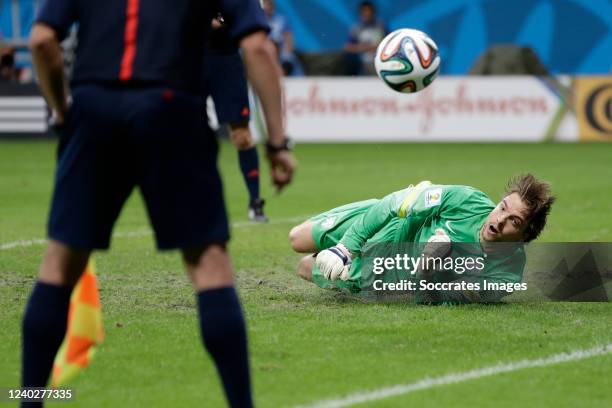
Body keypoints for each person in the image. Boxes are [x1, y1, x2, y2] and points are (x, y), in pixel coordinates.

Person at [24, 1, 295, 408]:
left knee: (61, 261)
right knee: (208, 263)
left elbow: (43, 40)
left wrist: (64, 111)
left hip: (94, 110)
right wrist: (277, 143)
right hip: (173, 110)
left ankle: (29, 401)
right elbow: (258, 48)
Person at [289, 174, 555, 303]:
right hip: (387, 224)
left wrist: (427, 269)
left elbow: (437, 299)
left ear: (524, 236)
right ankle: (341, 247)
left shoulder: (504, 278)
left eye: (514, 222)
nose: (499, 220)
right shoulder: (468, 200)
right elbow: (398, 202)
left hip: (383, 273)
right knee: (297, 238)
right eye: (503, 207)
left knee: (304, 267)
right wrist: (347, 246)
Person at [206, 16, 268, 222]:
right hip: (188, 60)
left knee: (241, 136)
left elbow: (250, 25)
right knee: (183, 133)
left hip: (226, 60)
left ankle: (255, 201)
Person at [344, 1, 389, 76]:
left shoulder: (381, 26)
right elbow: (347, 47)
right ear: (360, 13)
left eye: (369, 11)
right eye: (364, 11)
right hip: (362, 62)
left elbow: (390, 42)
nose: (367, 13)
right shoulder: (356, 28)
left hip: (380, 60)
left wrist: (378, 47)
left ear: (373, 12)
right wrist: (363, 48)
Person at [262, 0, 297, 76]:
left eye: (269, 5)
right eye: (265, 5)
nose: (267, 8)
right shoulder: (257, 21)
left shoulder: (281, 20)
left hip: (280, 53)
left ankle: (281, 75)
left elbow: (289, 39)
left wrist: (286, 52)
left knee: (288, 59)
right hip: (263, 51)